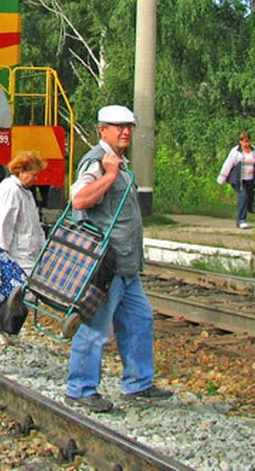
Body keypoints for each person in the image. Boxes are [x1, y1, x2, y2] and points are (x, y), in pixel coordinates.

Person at [65, 105, 173, 413]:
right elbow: (80, 199)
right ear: (102, 130)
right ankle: (80, 389)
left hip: (126, 265)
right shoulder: (97, 162)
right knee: (95, 327)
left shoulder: (118, 162)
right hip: (105, 264)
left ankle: (138, 383)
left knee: (140, 320)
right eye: (118, 127)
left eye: (129, 126)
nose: (125, 131)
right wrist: (110, 174)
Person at [0, 151, 47, 274]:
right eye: (33, 175)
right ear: (21, 172)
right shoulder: (11, 190)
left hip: (27, 258)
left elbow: (35, 226)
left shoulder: (25, 193)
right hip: (18, 260)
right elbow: (2, 225)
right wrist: (2, 260)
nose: (36, 179)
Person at [216, 131, 255, 229]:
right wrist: (221, 178)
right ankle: (241, 220)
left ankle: (249, 211)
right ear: (240, 142)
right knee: (243, 197)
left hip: (250, 179)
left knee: (249, 198)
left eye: (248, 141)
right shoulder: (236, 151)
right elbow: (228, 164)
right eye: (244, 141)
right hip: (238, 180)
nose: (246, 144)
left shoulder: (254, 150)